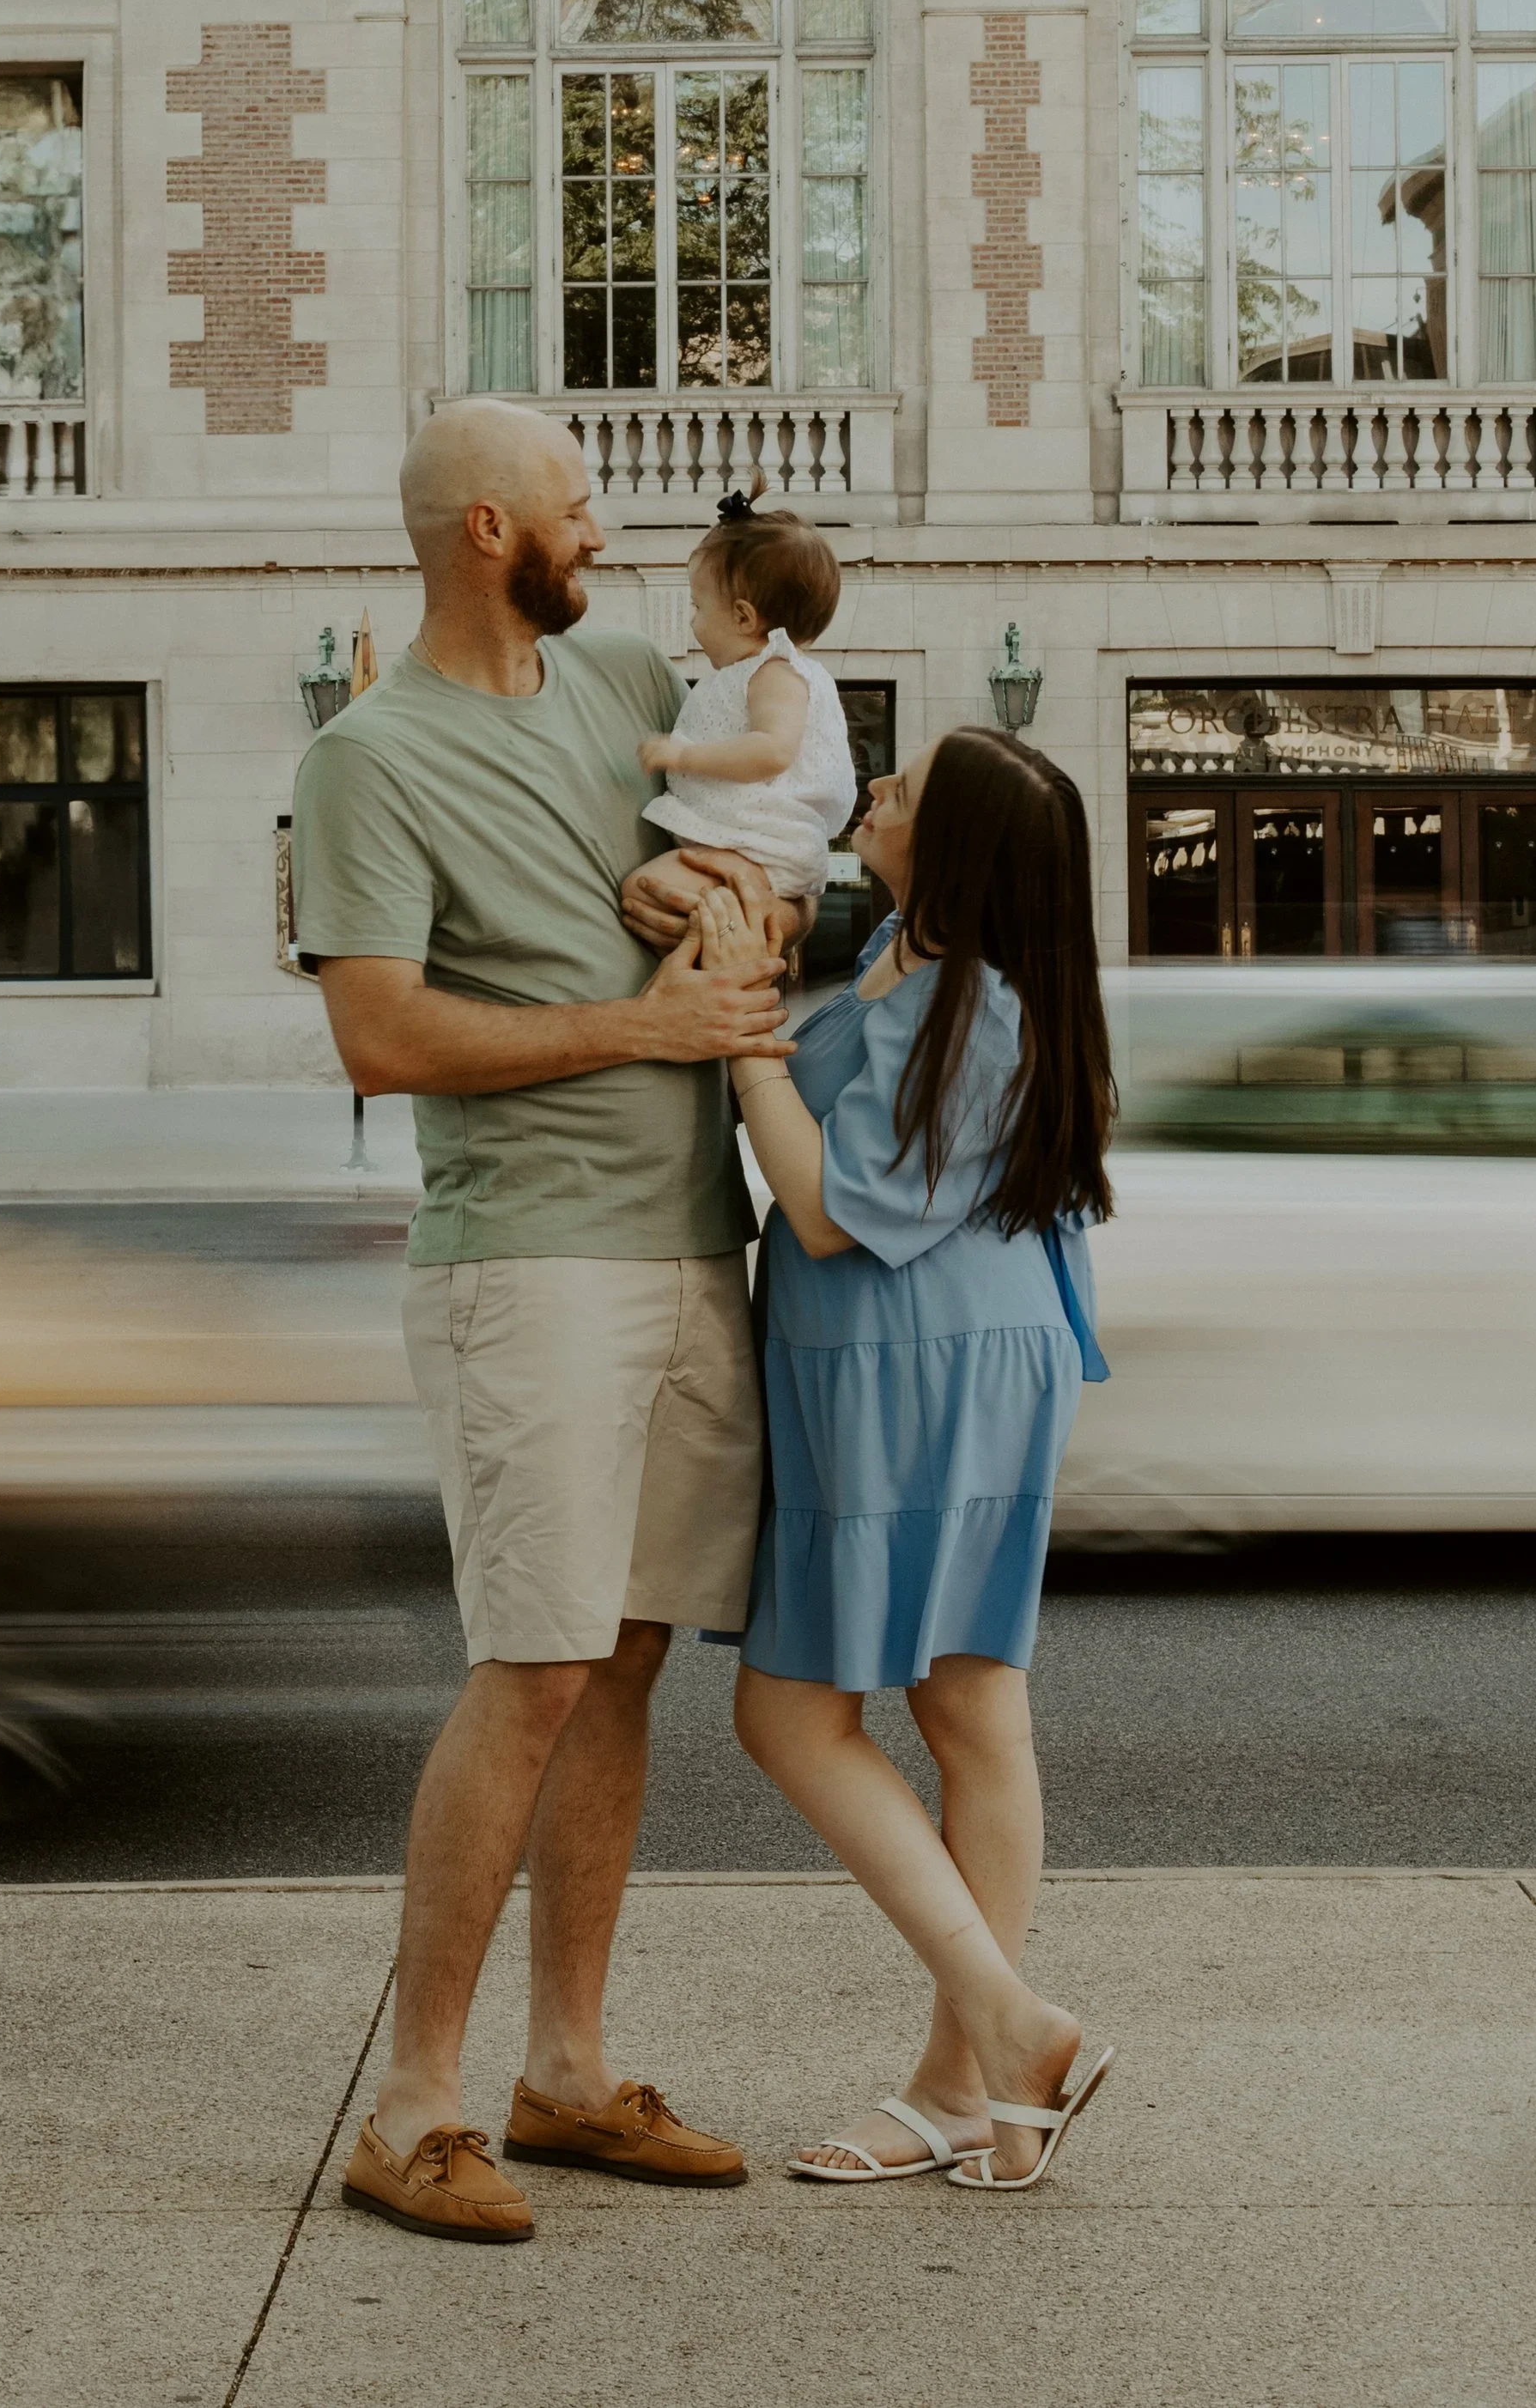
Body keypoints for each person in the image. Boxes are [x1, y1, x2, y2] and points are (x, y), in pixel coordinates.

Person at [290, 398, 804, 2246]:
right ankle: (412, 2102)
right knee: (529, 1663)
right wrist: (638, 1028)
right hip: (526, 1264)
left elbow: (726, 863)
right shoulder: (372, 757)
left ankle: (565, 2072)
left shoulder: (624, 683)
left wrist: (746, 913)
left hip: (688, 1240)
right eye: (581, 506)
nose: (608, 530)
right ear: (491, 527)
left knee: (625, 1654)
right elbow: (378, 1033)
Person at [691, 726, 1116, 2194]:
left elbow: (825, 1209)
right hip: (901, 1360)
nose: (873, 789)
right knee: (961, 1706)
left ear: (959, 852)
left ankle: (987, 2045)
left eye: (907, 791)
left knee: (821, 1711)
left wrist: (744, 1044)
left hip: (921, 1366)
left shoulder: (978, 1001)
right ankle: (981, 2080)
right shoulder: (910, 967)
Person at [637, 486, 857, 905]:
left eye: (698, 607)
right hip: (740, 843)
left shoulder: (775, 672)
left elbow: (772, 751)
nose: (693, 623)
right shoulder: (753, 674)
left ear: (743, 617)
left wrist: (682, 757)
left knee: (644, 891)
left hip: (760, 849)